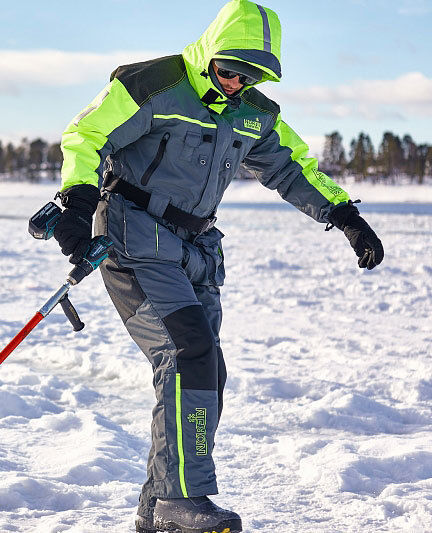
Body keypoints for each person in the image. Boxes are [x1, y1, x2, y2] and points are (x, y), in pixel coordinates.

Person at [52, 1, 384, 532]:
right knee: (187, 354)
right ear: (210, 53)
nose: (236, 83)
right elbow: (86, 136)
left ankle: (157, 512)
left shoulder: (255, 113)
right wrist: (75, 200)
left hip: (198, 248)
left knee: (202, 370)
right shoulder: (154, 85)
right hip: (134, 236)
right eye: (230, 69)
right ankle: (183, 499)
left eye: (251, 75)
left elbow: (293, 167)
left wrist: (343, 214)